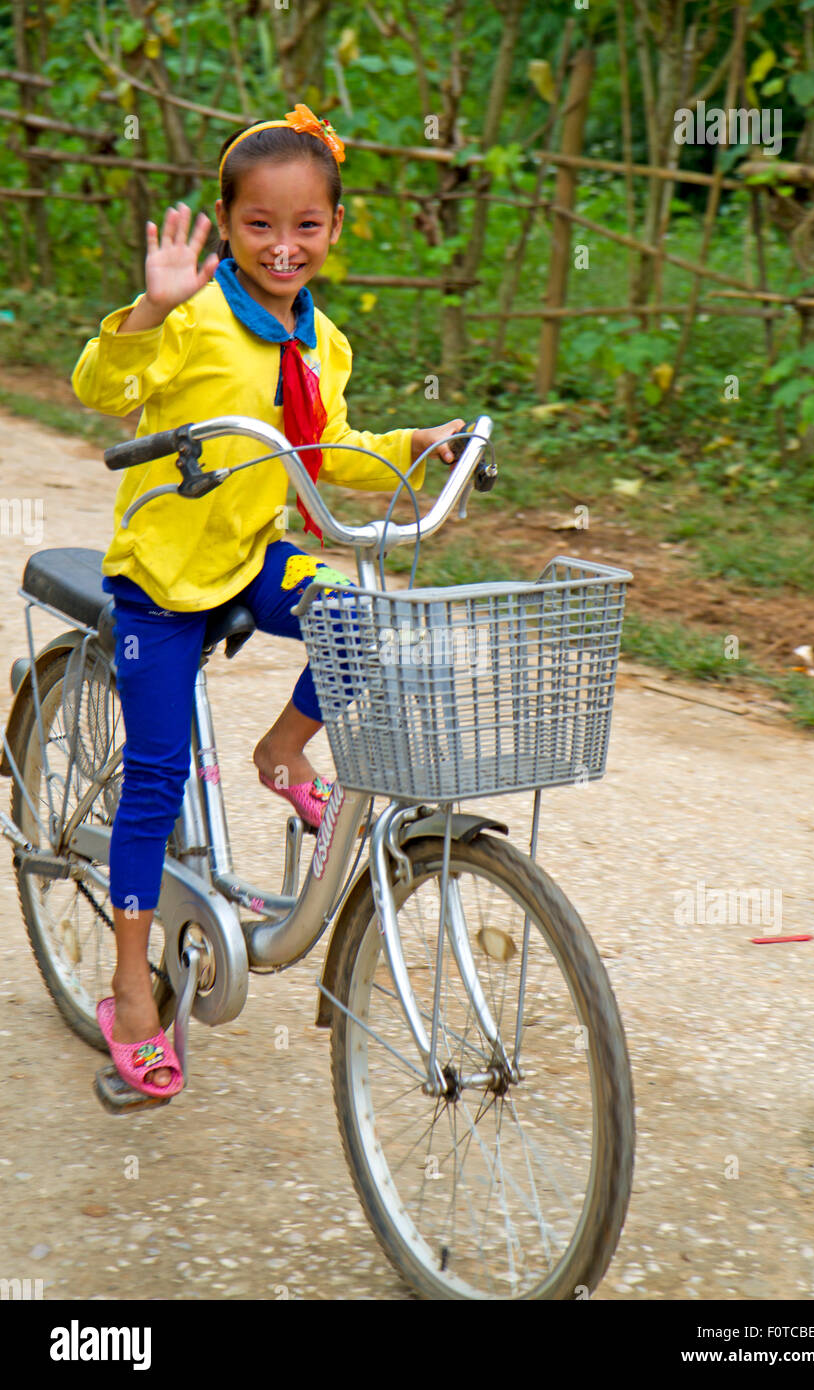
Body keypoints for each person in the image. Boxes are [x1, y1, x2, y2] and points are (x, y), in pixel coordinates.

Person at [71, 103, 465, 1097]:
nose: (282, 246)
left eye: (304, 226)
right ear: (227, 221)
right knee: (155, 774)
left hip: (251, 552)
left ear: (334, 229)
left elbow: (325, 457)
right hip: (161, 577)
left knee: (362, 616)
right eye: (258, 224)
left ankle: (281, 750)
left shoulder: (321, 341)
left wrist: (412, 444)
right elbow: (100, 386)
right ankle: (130, 982)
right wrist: (149, 311)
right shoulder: (195, 311)